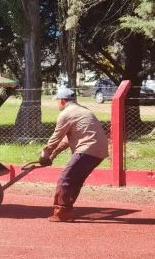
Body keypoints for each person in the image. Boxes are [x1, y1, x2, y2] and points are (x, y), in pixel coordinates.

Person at [40, 87, 108, 222]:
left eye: (57, 101)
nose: (57, 104)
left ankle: (62, 212)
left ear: (63, 101)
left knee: (65, 179)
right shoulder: (82, 110)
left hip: (87, 148)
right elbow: (66, 140)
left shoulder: (66, 114)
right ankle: (67, 209)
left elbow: (56, 137)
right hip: (99, 151)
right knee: (75, 180)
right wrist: (53, 155)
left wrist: (45, 154)